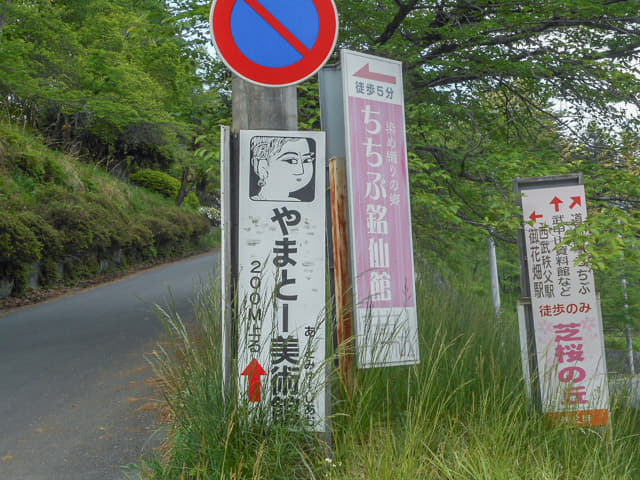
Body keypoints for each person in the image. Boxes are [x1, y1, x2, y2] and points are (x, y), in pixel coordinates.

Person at [250, 136, 315, 202]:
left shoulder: (298, 204)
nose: (301, 171)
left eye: (307, 160)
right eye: (291, 161)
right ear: (262, 166)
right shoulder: (251, 204)